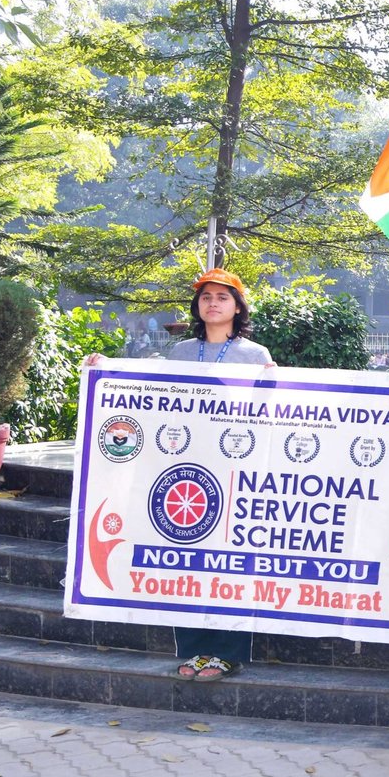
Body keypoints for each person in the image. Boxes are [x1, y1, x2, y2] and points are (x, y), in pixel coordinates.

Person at [156, 268, 273, 681]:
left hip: (234, 469)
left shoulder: (256, 355)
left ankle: (227, 652)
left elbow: (268, 414)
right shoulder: (181, 352)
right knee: (187, 560)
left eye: (223, 297)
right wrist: (102, 369)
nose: (213, 303)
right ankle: (193, 651)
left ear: (238, 307)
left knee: (231, 560)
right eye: (206, 297)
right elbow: (153, 395)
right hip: (186, 472)